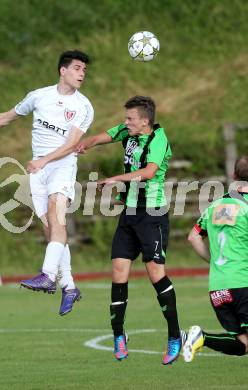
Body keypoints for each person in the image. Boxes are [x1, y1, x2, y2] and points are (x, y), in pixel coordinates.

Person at [0, 50, 94, 316]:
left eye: (84, 70)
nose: (81, 74)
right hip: (38, 171)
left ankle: (47, 274)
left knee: (57, 217)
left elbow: (72, 144)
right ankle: (70, 287)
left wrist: (44, 161)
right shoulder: (39, 96)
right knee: (50, 229)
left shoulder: (84, 106)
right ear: (62, 70)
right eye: (77, 68)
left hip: (61, 166)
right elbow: (6, 117)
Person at [77, 95, 184, 364]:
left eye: (130, 119)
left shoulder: (159, 139)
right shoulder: (128, 131)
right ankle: (118, 335)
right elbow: (102, 137)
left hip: (152, 214)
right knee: (118, 271)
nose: (125, 123)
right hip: (130, 213)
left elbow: (148, 173)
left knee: (155, 274)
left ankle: (174, 336)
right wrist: (82, 145)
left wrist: (114, 178)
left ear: (145, 121)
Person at [184, 155, 248, 362]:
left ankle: (201, 337)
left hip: (218, 286)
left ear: (233, 175)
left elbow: (193, 237)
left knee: (243, 345)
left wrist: (214, 262)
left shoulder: (216, 206)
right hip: (243, 283)